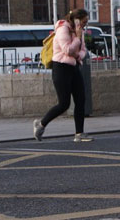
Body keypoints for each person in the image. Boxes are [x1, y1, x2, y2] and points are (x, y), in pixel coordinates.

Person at [34, 8, 93, 143]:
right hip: (61, 68)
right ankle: (41, 124)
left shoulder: (79, 32)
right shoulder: (62, 29)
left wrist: (77, 53)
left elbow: (83, 51)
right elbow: (67, 49)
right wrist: (77, 38)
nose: (85, 25)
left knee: (80, 99)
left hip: (74, 66)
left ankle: (79, 133)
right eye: (84, 21)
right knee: (64, 104)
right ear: (76, 20)